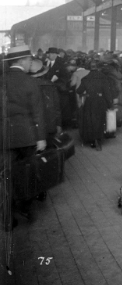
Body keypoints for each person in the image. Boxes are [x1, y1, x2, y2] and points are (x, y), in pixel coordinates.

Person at [3, 45, 47, 229]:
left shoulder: (1, 80)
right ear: (21, 61)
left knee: (6, 176)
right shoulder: (30, 82)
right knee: (27, 174)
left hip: (4, 137)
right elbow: (37, 112)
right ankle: (26, 208)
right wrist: (41, 137)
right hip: (27, 136)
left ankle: (7, 217)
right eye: (29, 60)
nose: (31, 63)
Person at [77, 61, 114, 150]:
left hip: (89, 102)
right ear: (97, 68)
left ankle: (93, 140)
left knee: (90, 122)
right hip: (100, 101)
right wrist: (110, 104)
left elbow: (79, 91)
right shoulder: (103, 78)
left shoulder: (85, 78)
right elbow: (107, 93)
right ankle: (99, 140)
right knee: (100, 121)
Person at [29, 59, 62, 138]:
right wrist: (58, 124)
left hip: (32, 126)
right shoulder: (50, 85)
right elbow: (57, 106)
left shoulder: (25, 86)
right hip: (50, 123)